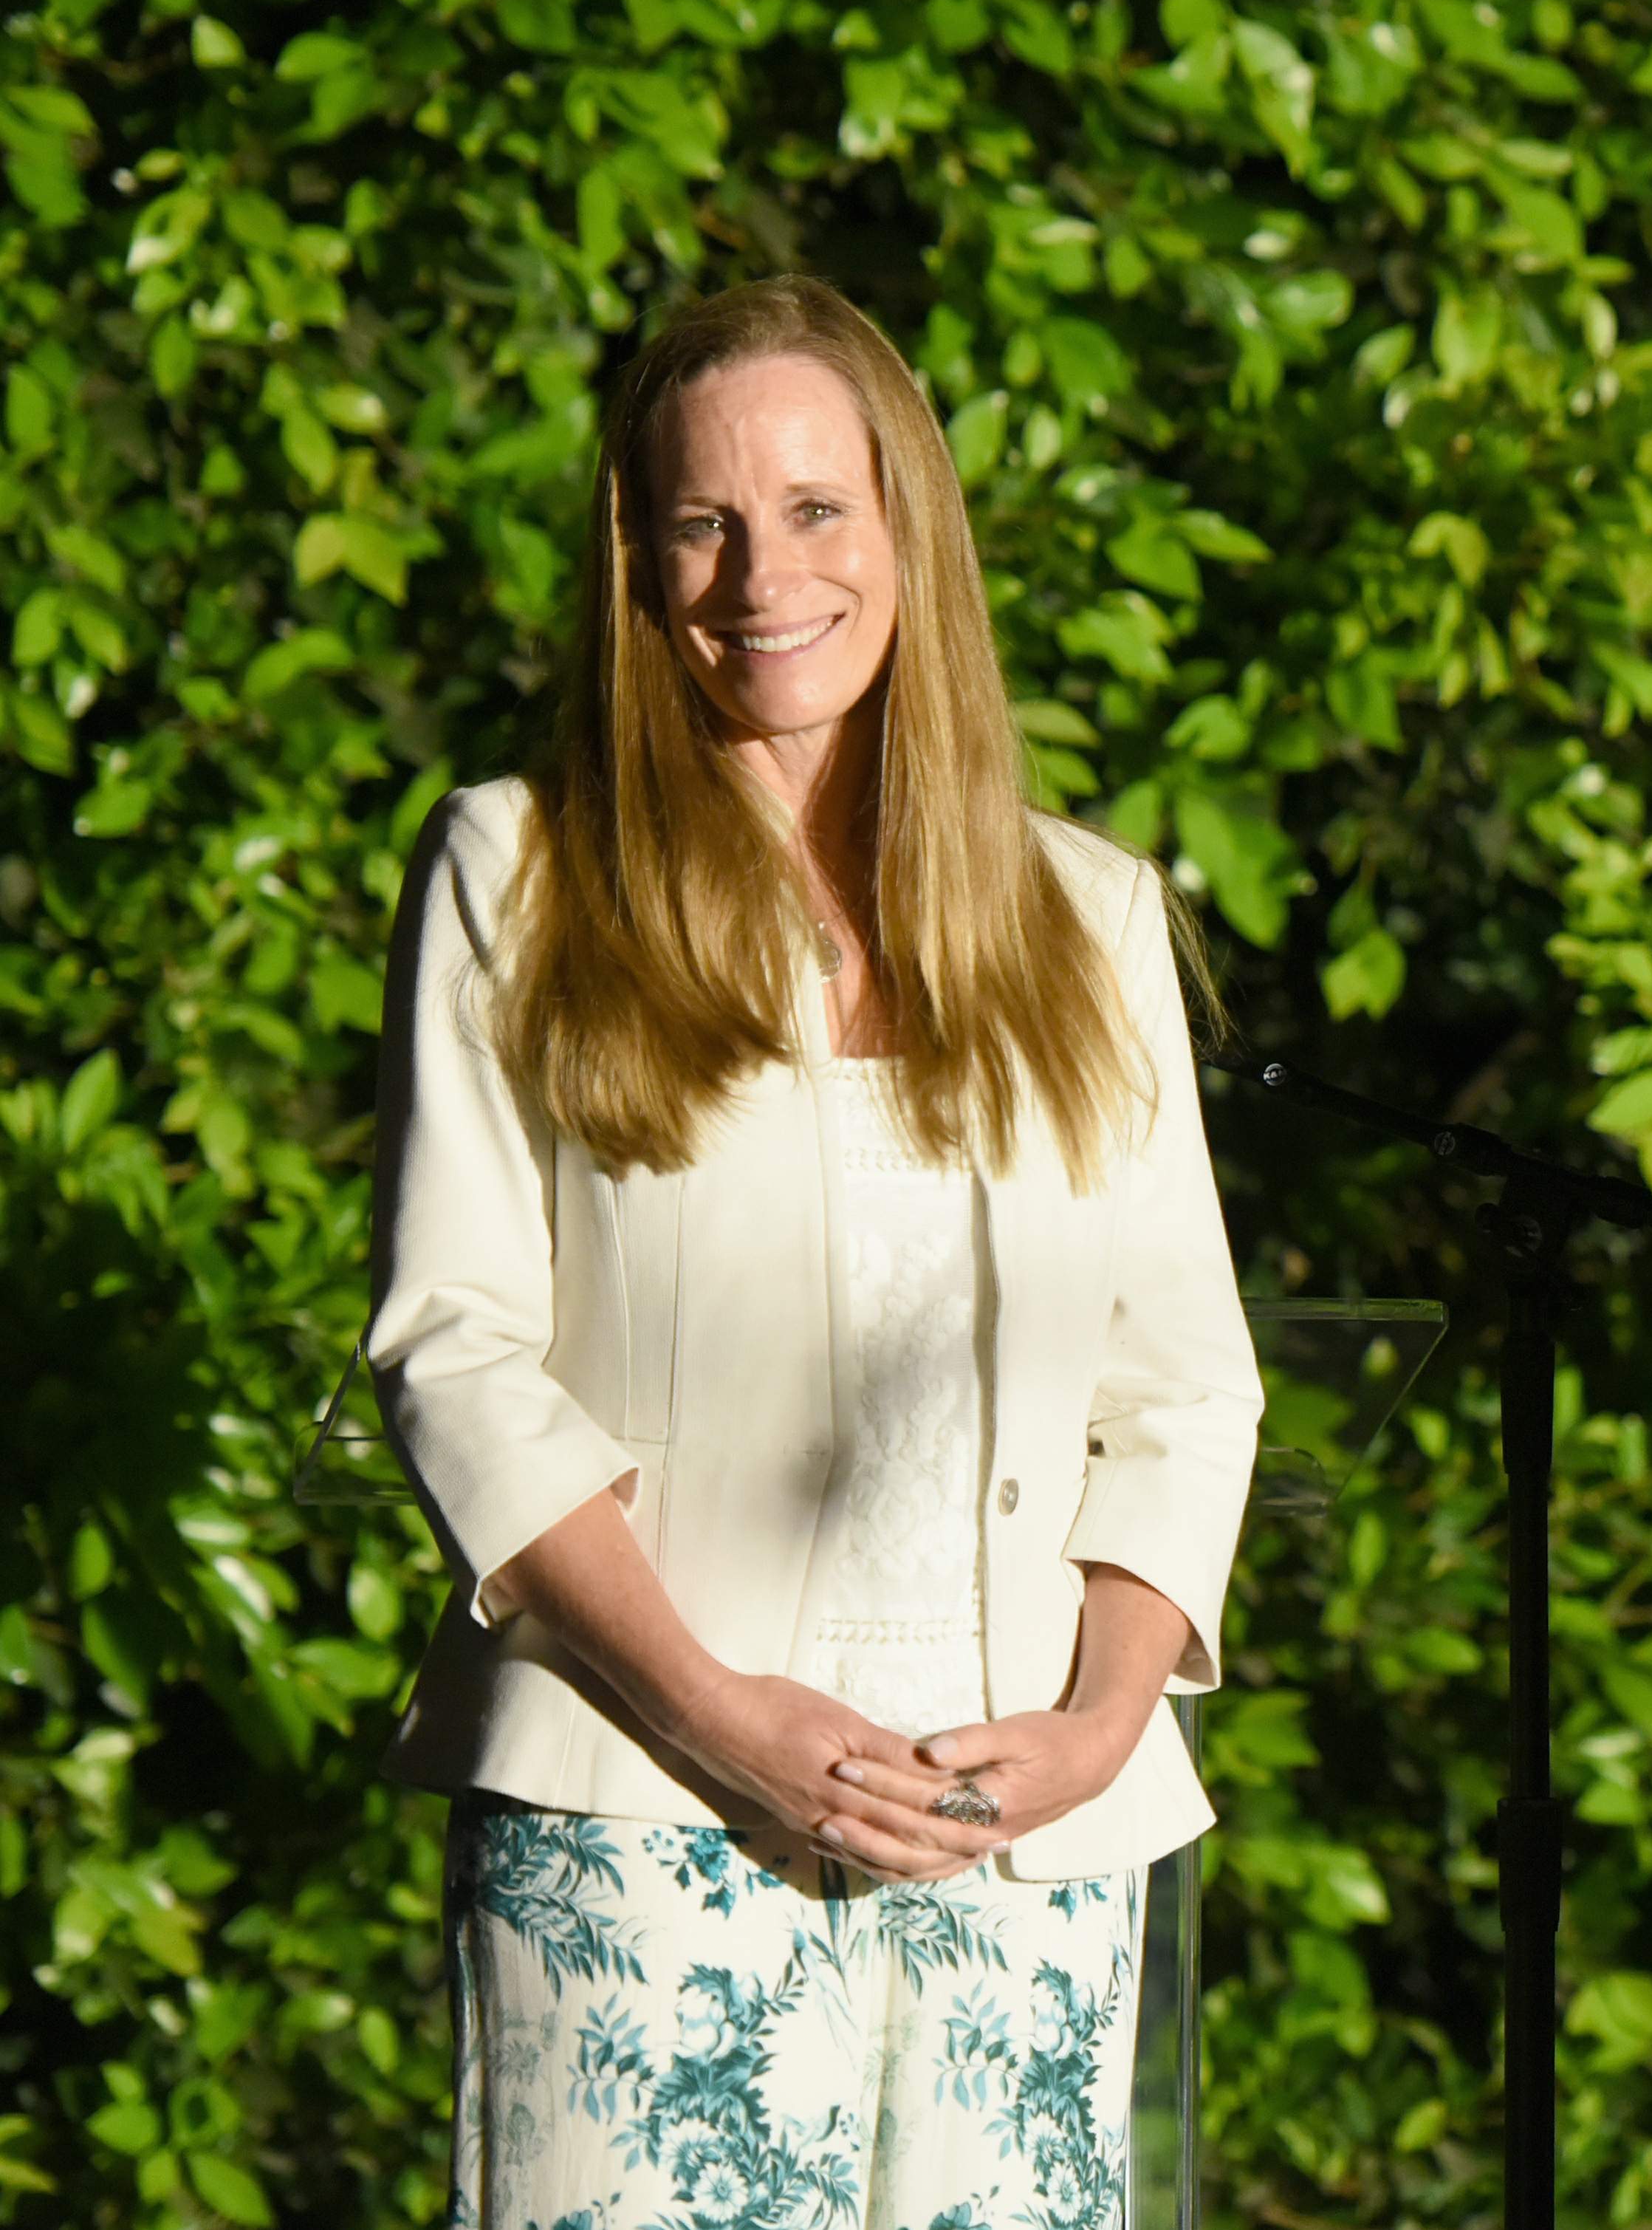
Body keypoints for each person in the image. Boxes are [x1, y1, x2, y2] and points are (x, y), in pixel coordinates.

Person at [367, 274, 1261, 2229]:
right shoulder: (515, 872)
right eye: (701, 519)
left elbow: (1183, 1383)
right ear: (636, 554)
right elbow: (453, 1341)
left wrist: (1100, 1732)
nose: (760, 570)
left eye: (814, 508)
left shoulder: (1085, 913)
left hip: (1019, 1831)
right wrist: (710, 1710)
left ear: (904, 527)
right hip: (641, 1806)